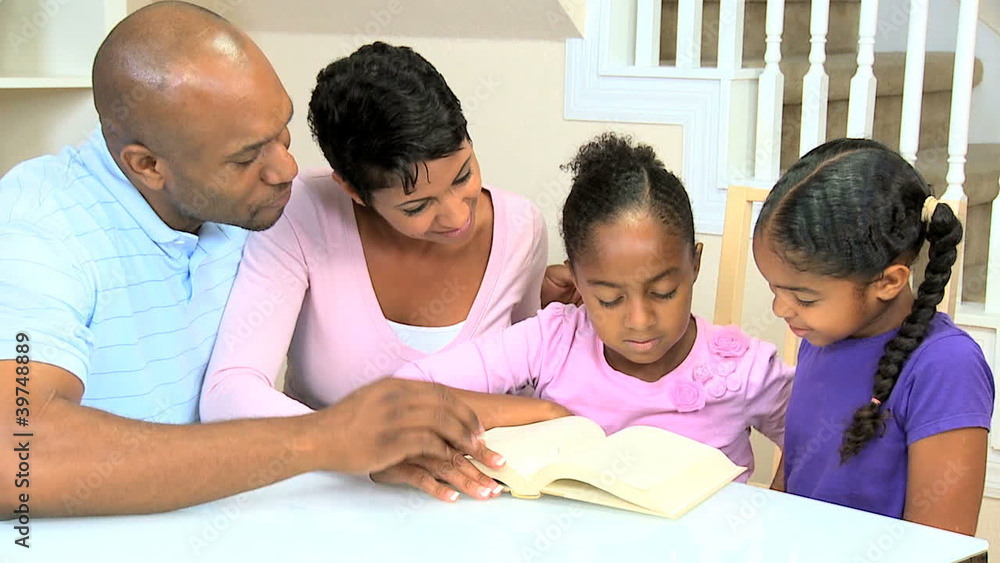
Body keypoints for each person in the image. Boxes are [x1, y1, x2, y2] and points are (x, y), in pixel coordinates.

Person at [0, 2, 500, 518]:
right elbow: (13, 450)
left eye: (282, 132)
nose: (285, 168)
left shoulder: (251, 205)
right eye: (246, 157)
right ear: (148, 165)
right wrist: (323, 439)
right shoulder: (38, 232)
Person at [199, 42, 557, 500]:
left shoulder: (521, 227)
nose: (456, 216)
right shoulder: (301, 213)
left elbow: (528, 377)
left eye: (463, 175)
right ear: (353, 191)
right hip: (326, 498)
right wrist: (353, 447)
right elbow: (227, 391)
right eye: (417, 206)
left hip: (479, 499)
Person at [393, 133, 795, 479]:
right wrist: (540, 414)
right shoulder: (552, 341)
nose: (640, 320)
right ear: (577, 280)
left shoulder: (745, 370)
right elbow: (403, 392)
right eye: (609, 299)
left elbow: (814, 443)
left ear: (695, 264)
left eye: (663, 292)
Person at [752, 138, 995, 535]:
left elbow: (941, 545)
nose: (781, 309)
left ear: (888, 282)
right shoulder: (821, 336)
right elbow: (796, 472)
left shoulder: (948, 367)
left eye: (804, 298)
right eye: (774, 289)